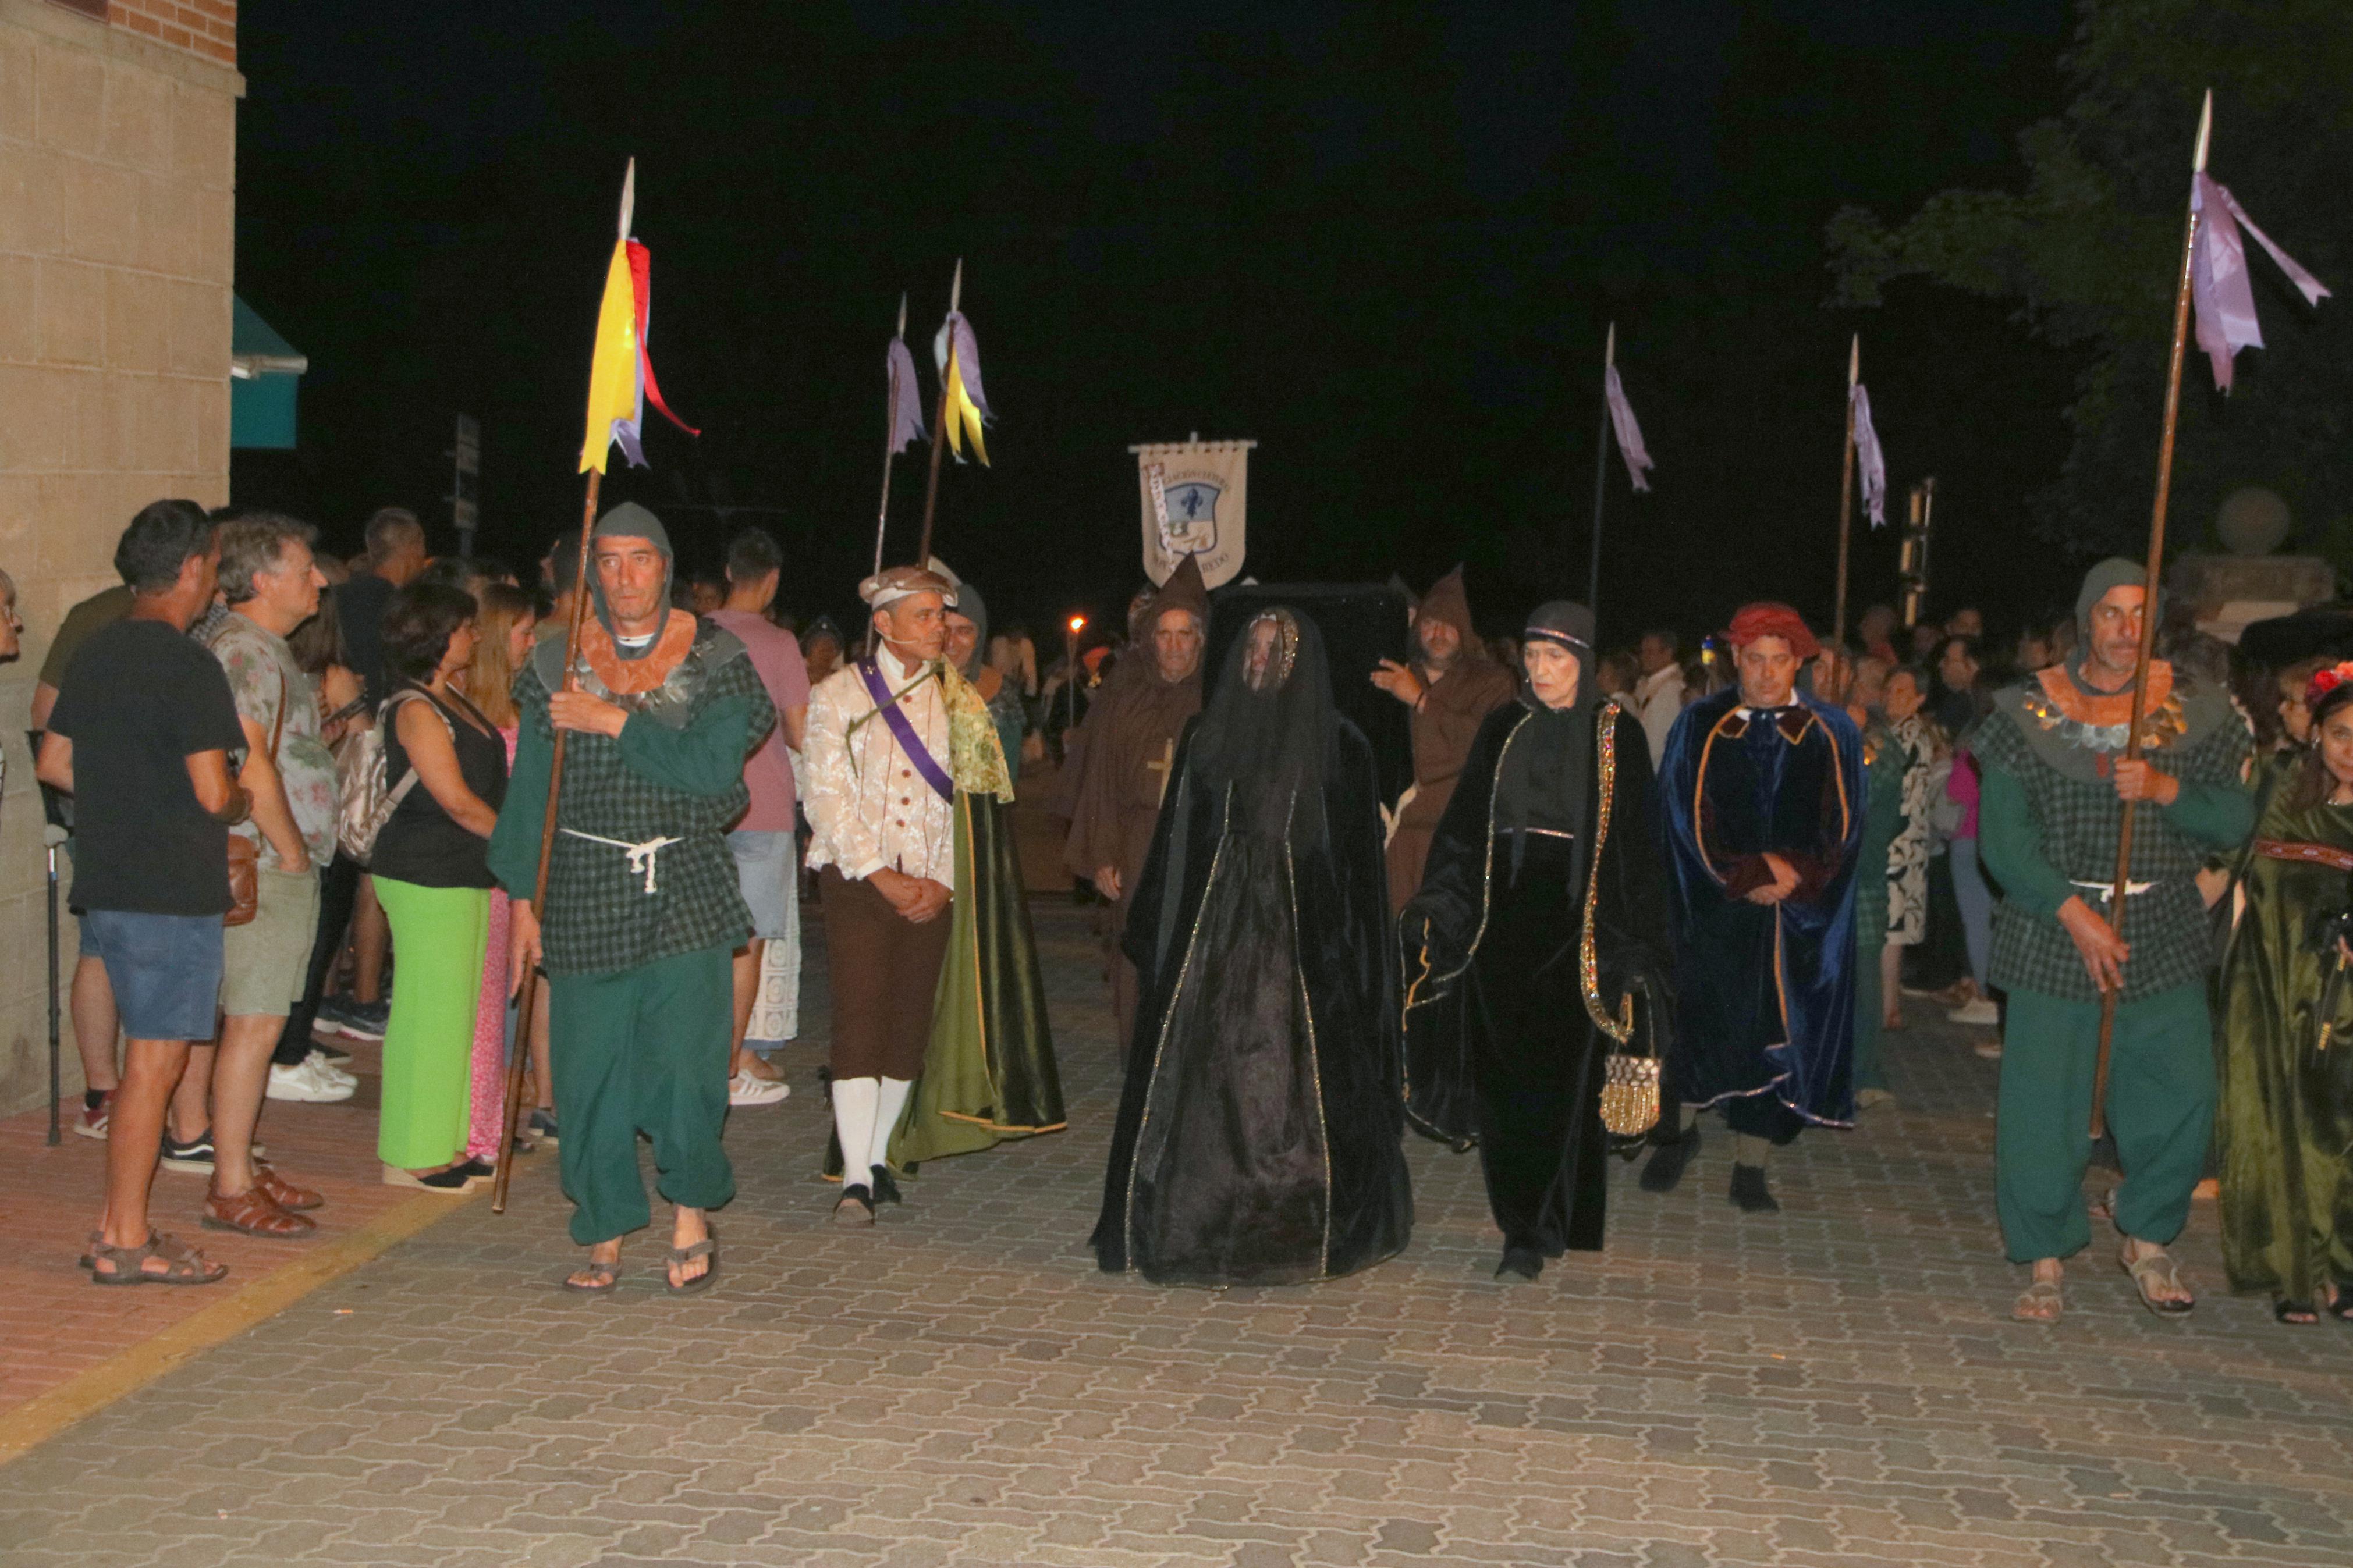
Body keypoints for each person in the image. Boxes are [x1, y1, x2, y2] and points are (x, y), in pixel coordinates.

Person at [493, 503, 773, 1290]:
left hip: (684, 880)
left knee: (685, 1065)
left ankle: (688, 1207)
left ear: (665, 564)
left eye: (639, 559)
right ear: (591, 571)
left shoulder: (717, 659)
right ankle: (606, 1220)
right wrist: (522, 896)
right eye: (608, 561)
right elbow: (531, 794)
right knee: (588, 1068)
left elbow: (713, 775)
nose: (623, 577)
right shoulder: (556, 663)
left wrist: (615, 721)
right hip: (583, 881)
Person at [1095, 607, 1412, 1286]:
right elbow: (1177, 843)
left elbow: (1357, 868)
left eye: (1276, 648)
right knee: (1205, 1072)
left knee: (1294, 1074)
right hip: (1214, 931)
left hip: (1305, 939)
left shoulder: (1341, 746)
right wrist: (1155, 930)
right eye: (1253, 646)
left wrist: (1361, 962)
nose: (1260, 659)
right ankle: (1197, 1213)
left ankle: (1293, 1212)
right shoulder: (1208, 735)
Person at [1974, 560, 2253, 1324]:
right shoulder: (2025, 711)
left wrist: (2166, 792)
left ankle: (2147, 1230)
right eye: (2109, 612)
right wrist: (2070, 909)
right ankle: (2041, 1248)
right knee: (2042, 1100)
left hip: (2158, 922)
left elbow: (2234, 820)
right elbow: (2001, 839)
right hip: (2051, 923)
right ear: (2083, 619)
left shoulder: (2196, 710)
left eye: (2138, 613)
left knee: (2184, 1089)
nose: (2124, 629)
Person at [1400, 602, 1672, 1280]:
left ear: (1582, 660)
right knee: (1504, 1085)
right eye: (1531, 656)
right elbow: (1465, 827)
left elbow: (1636, 847)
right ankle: (1520, 1226)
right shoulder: (1503, 725)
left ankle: (1556, 1217)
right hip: (1502, 927)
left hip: (1579, 932)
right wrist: (1440, 905)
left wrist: (1635, 945)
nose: (1541, 670)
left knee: (1563, 1085)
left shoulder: (1616, 734)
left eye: (1556, 658)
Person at [38, 500, 245, 1285]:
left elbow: (56, 760)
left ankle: (117, 1224)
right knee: (153, 1066)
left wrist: (123, 802)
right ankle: (125, 1235)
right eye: (214, 566)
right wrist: (239, 802)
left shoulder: (97, 650)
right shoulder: (190, 665)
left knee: (143, 1060)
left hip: (113, 876)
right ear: (192, 569)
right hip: (170, 887)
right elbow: (209, 788)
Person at [1650, 602, 1865, 1213]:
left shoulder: (1831, 731)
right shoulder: (1699, 723)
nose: (1767, 673)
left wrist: (1792, 874)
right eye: (1755, 660)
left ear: (1797, 661)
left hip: (1794, 913)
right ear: (1736, 660)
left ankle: (1751, 1161)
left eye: (1779, 660)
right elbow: (1678, 815)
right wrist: (1743, 874)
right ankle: (1679, 1134)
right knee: (1702, 1022)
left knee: (1775, 1028)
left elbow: (1844, 825)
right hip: (1716, 904)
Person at [171, 513, 336, 1240]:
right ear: (263, 580)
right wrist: (291, 849)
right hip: (263, 862)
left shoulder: (255, 646)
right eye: (306, 569)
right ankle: (230, 1182)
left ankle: (235, 1155)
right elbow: (247, 757)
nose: (321, 581)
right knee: (256, 1022)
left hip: (261, 857)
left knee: (246, 1021)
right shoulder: (246, 650)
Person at [801, 566, 966, 1222]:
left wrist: (944, 879)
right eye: (925, 615)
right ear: (884, 623)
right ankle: (854, 1177)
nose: (940, 627)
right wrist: (881, 874)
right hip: (858, 879)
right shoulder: (837, 695)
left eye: (942, 616)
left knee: (908, 1023)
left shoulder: (959, 700)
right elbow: (824, 795)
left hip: (932, 882)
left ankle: (874, 1158)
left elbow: (974, 805)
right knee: (860, 1017)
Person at [885, 575, 1067, 1168]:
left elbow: (1001, 781)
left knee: (975, 982)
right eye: (944, 625)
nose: (954, 638)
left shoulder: (994, 694)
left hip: (975, 846)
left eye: (965, 629)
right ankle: (901, 1115)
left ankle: (973, 1097)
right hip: (914, 844)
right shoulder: (904, 687)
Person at [2217, 663, 2353, 1324]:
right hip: (2269, 982)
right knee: (2276, 1124)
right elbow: (2233, 866)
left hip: (2342, 998)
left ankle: (2344, 1267)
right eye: (2340, 734)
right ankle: (2292, 1271)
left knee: (2336, 1129)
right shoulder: (2275, 787)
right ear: (2316, 735)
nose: (2351, 750)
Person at [372, 582, 508, 1190]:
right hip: (425, 870)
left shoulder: (447, 696)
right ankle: (410, 1150)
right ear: (435, 635)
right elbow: (455, 801)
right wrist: (523, 845)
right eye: (464, 626)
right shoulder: (414, 708)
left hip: (464, 872)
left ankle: (446, 1140)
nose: (474, 636)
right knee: (428, 1013)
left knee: (456, 1013)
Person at [1060, 557, 1209, 1047]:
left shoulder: (1215, 698)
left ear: (1200, 639)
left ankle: (1185, 1057)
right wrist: (1103, 853)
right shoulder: (1124, 693)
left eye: (1184, 634)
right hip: (1137, 838)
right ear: (1149, 639)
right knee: (1136, 949)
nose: (1173, 646)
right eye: (1163, 634)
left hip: (1195, 839)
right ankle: (1139, 1051)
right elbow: (1100, 779)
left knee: (1193, 946)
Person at [706, 527, 810, 1108]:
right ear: (771, 580)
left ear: (728, 572)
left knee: (698, 936)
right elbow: (798, 731)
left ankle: (721, 1054)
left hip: (699, 801)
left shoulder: (694, 635)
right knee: (744, 942)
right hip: (763, 803)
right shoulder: (779, 643)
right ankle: (726, 1066)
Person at [263, 592, 366, 1106]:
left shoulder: (295, 673)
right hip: (307, 827)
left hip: (321, 821)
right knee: (310, 942)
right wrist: (351, 708)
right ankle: (287, 1052)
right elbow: (364, 747)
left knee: (318, 941)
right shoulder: (305, 675)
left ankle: (295, 1047)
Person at [1374, 566, 1516, 912]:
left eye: (1448, 624)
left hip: (1459, 848)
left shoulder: (1494, 682)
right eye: (1429, 623)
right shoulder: (1398, 676)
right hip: (1396, 846)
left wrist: (1421, 701)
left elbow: (1490, 748)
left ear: (1463, 630)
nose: (1438, 632)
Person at [455, 582, 538, 1162]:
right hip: (482, 871)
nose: (532, 643)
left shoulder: (522, 704)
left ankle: (493, 1117)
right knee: (484, 1005)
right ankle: (479, 1129)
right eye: (524, 632)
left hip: (517, 872)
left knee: (508, 997)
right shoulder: (465, 710)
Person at [1878, 666, 1946, 1030]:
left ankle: (1889, 1008)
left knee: (1893, 929)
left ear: (1919, 697)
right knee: (1892, 929)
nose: (1891, 695)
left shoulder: (1908, 735)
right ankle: (1888, 1005)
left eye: (1901, 690)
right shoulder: (1901, 732)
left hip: (1899, 844)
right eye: (1889, 688)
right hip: (1902, 842)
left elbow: (1896, 791)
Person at [1631, 628, 1687, 768]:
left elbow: (1656, 743)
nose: (1644, 657)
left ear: (1668, 653)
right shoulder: (1649, 683)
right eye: (1642, 651)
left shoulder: (1671, 687)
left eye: (1650, 652)